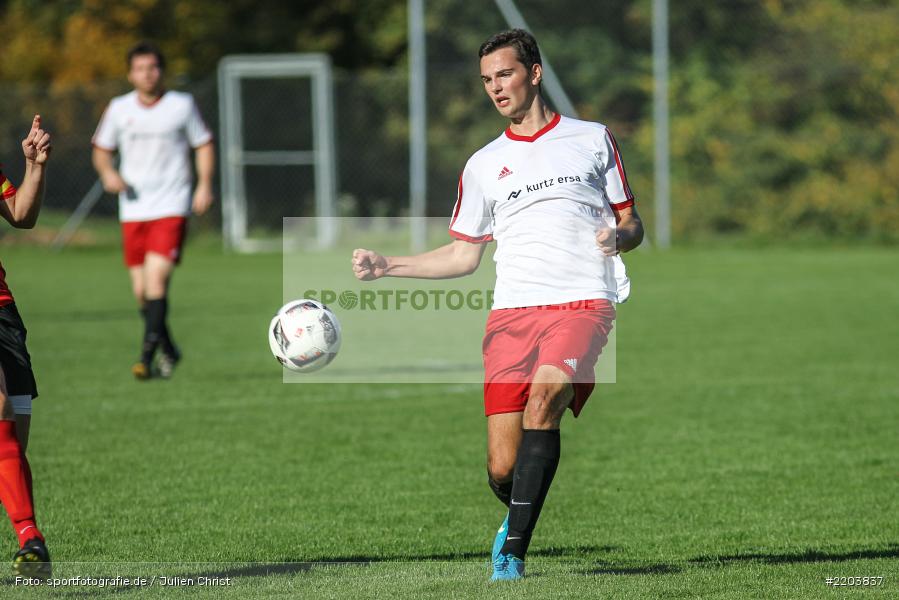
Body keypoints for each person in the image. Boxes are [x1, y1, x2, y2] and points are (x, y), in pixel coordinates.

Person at [351, 29, 643, 581]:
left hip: (583, 303)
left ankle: (512, 554)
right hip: (511, 315)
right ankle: (516, 509)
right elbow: (464, 257)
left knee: (545, 401)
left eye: (504, 74)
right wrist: (390, 265)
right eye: (486, 80)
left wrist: (621, 238)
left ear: (534, 72)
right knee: (503, 466)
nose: (495, 88)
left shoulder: (592, 138)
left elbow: (632, 220)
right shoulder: (484, 164)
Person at [92, 41, 214, 380]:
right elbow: (102, 150)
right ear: (131, 74)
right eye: (141, 68)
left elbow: (203, 143)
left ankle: (146, 358)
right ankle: (170, 349)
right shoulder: (119, 108)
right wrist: (108, 173)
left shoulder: (181, 105)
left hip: (172, 204)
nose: (149, 74)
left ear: (162, 71)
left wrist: (204, 184)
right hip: (133, 209)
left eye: (154, 67)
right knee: (141, 292)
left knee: (156, 280)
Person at [0, 115, 52, 577]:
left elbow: (21, 215)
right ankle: (29, 536)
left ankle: (26, 537)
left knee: (15, 430)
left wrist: (33, 167)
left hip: (2, 312)